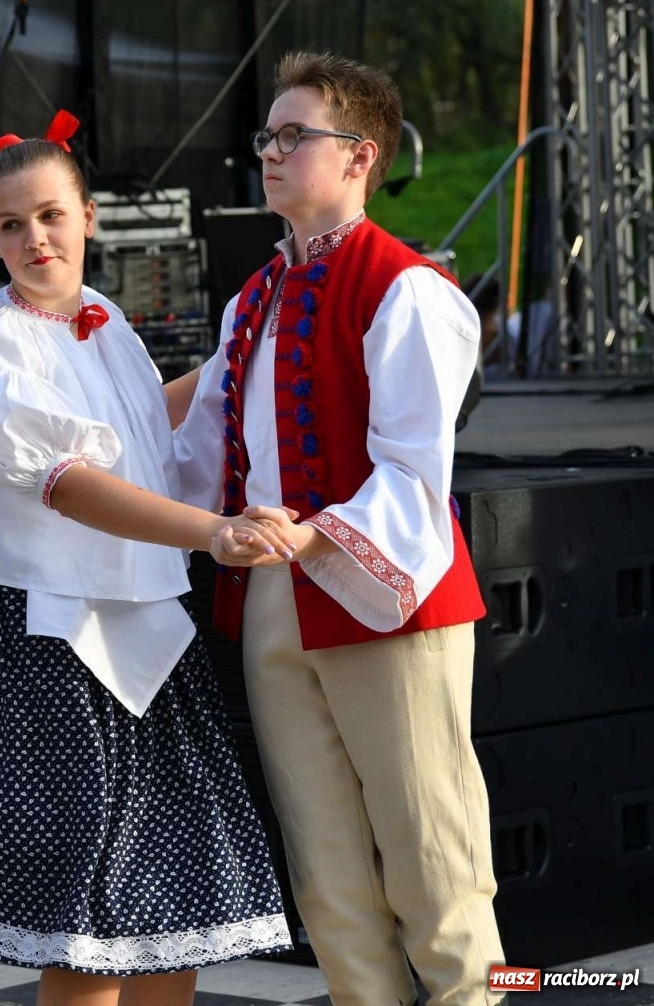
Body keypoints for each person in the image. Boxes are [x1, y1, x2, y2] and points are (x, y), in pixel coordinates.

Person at [0, 112, 293, 1006]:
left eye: (50, 215)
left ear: (88, 218)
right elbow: (65, 481)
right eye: (11, 225)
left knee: (172, 892)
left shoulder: (105, 325)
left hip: (144, 626)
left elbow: (148, 418)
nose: (35, 238)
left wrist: (240, 359)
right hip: (50, 639)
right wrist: (209, 532)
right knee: (82, 926)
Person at [173, 52, 502, 1006]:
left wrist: (303, 538)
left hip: (387, 595)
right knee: (326, 876)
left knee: (435, 867)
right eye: (266, 137)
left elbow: (413, 476)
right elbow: (194, 453)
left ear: (359, 156)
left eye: (292, 135)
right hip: (275, 594)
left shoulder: (411, 290)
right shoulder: (251, 300)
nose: (268, 153)